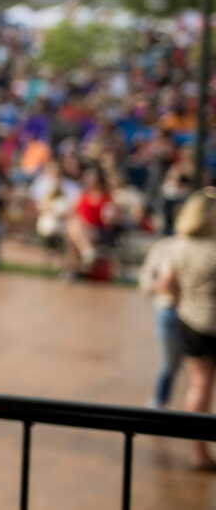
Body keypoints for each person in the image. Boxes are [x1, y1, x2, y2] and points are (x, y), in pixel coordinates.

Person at [154, 188, 216, 470]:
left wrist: (185, 298)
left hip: (190, 321)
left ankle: (197, 451)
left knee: (199, 385)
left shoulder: (180, 245)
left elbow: (166, 284)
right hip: (210, 322)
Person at [139, 233, 184, 409]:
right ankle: (158, 406)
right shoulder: (166, 247)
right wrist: (162, 288)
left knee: (199, 377)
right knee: (169, 366)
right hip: (170, 310)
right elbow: (147, 281)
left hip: (196, 316)